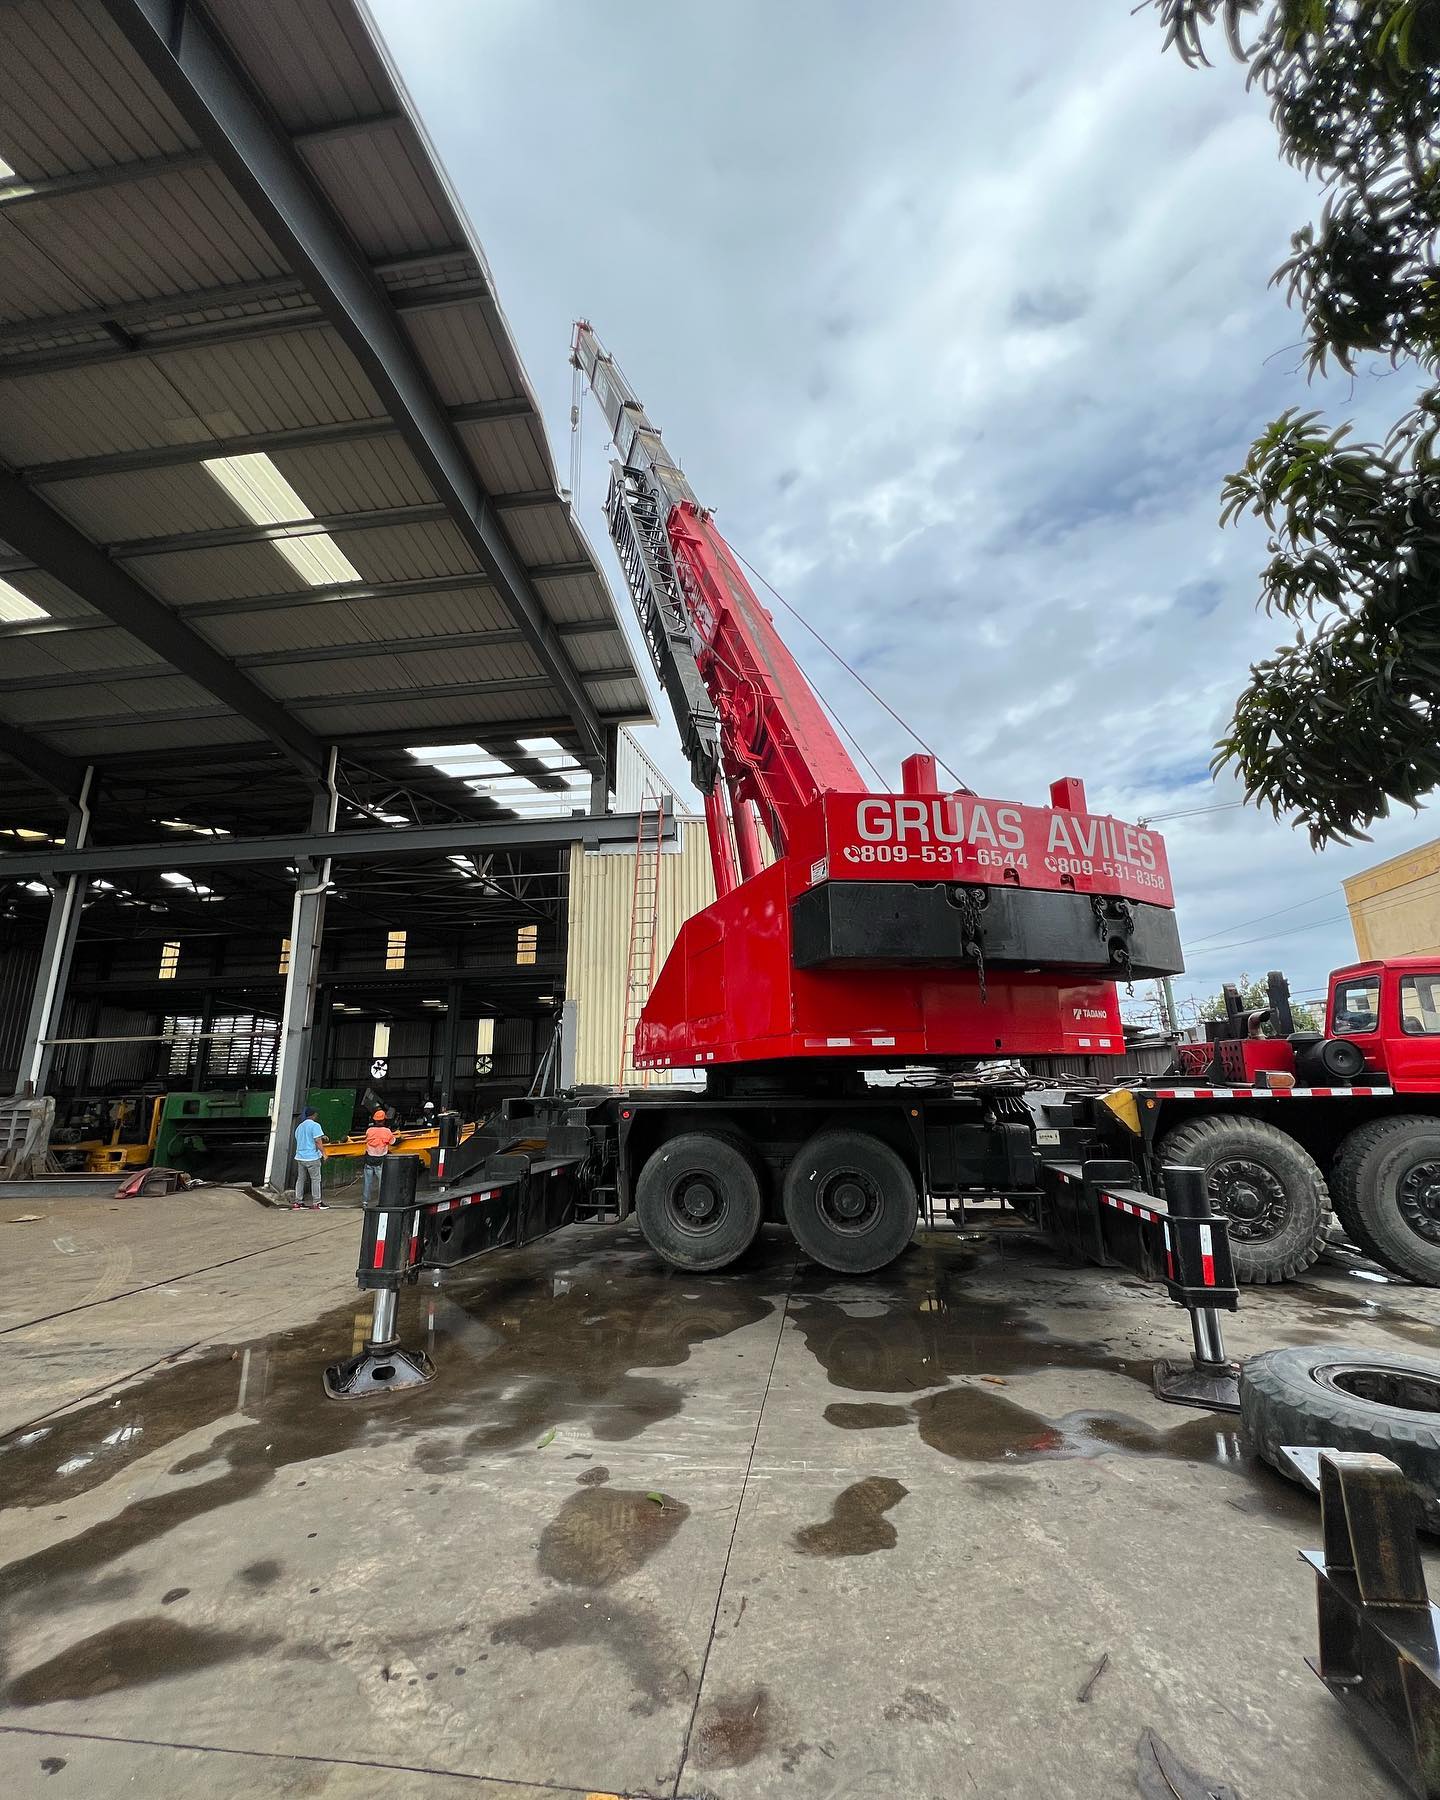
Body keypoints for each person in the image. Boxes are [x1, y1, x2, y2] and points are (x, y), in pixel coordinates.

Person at [293, 1107, 326, 1209]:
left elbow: (300, 1138)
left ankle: (298, 1201)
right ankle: (317, 1202)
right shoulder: (315, 1125)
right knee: (315, 1179)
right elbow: (317, 1141)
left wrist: (322, 1136)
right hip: (312, 1157)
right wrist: (324, 1153)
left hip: (300, 1157)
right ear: (314, 1115)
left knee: (300, 1179)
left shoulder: (300, 1127)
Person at [362, 1108, 397, 1204]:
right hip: (380, 1161)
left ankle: (365, 1202)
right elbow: (394, 1142)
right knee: (382, 1182)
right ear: (384, 1120)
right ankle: (382, 1201)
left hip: (369, 1160)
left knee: (367, 1183)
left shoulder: (369, 1130)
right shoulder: (387, 1131)